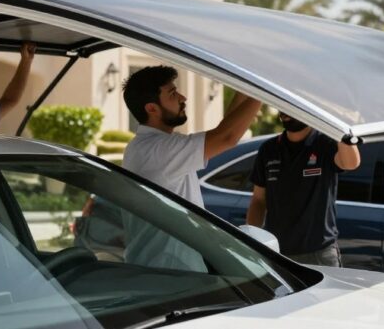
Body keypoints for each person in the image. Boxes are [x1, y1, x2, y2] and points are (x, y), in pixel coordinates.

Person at [122, 65, 261, 206]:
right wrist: (262, 90)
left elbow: (226, 129)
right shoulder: (158, 151)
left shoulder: (146, 146)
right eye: (173, 94)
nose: (183, 98)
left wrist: (248, 84)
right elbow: (226, 137)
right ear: (152, 108)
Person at [246, 111, 361, 267]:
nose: (285, 112)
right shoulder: (269, 149)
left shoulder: (325, 143)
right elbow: (258, 200)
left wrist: (343, 131)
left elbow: (351, 163)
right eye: (282, 107)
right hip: (277, 254)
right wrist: (252, 240)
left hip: (320, 254)